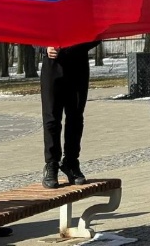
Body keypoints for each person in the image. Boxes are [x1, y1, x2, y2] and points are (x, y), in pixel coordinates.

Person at [41, 40, 100, 189]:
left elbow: (97, 34)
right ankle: (51, 164)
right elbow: (33, 28)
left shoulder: (84, 15)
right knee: (51, 118)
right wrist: (44, 47)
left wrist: (77, 45)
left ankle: (71, 162)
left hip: (78, 64)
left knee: (75, 117)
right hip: (52, 65)